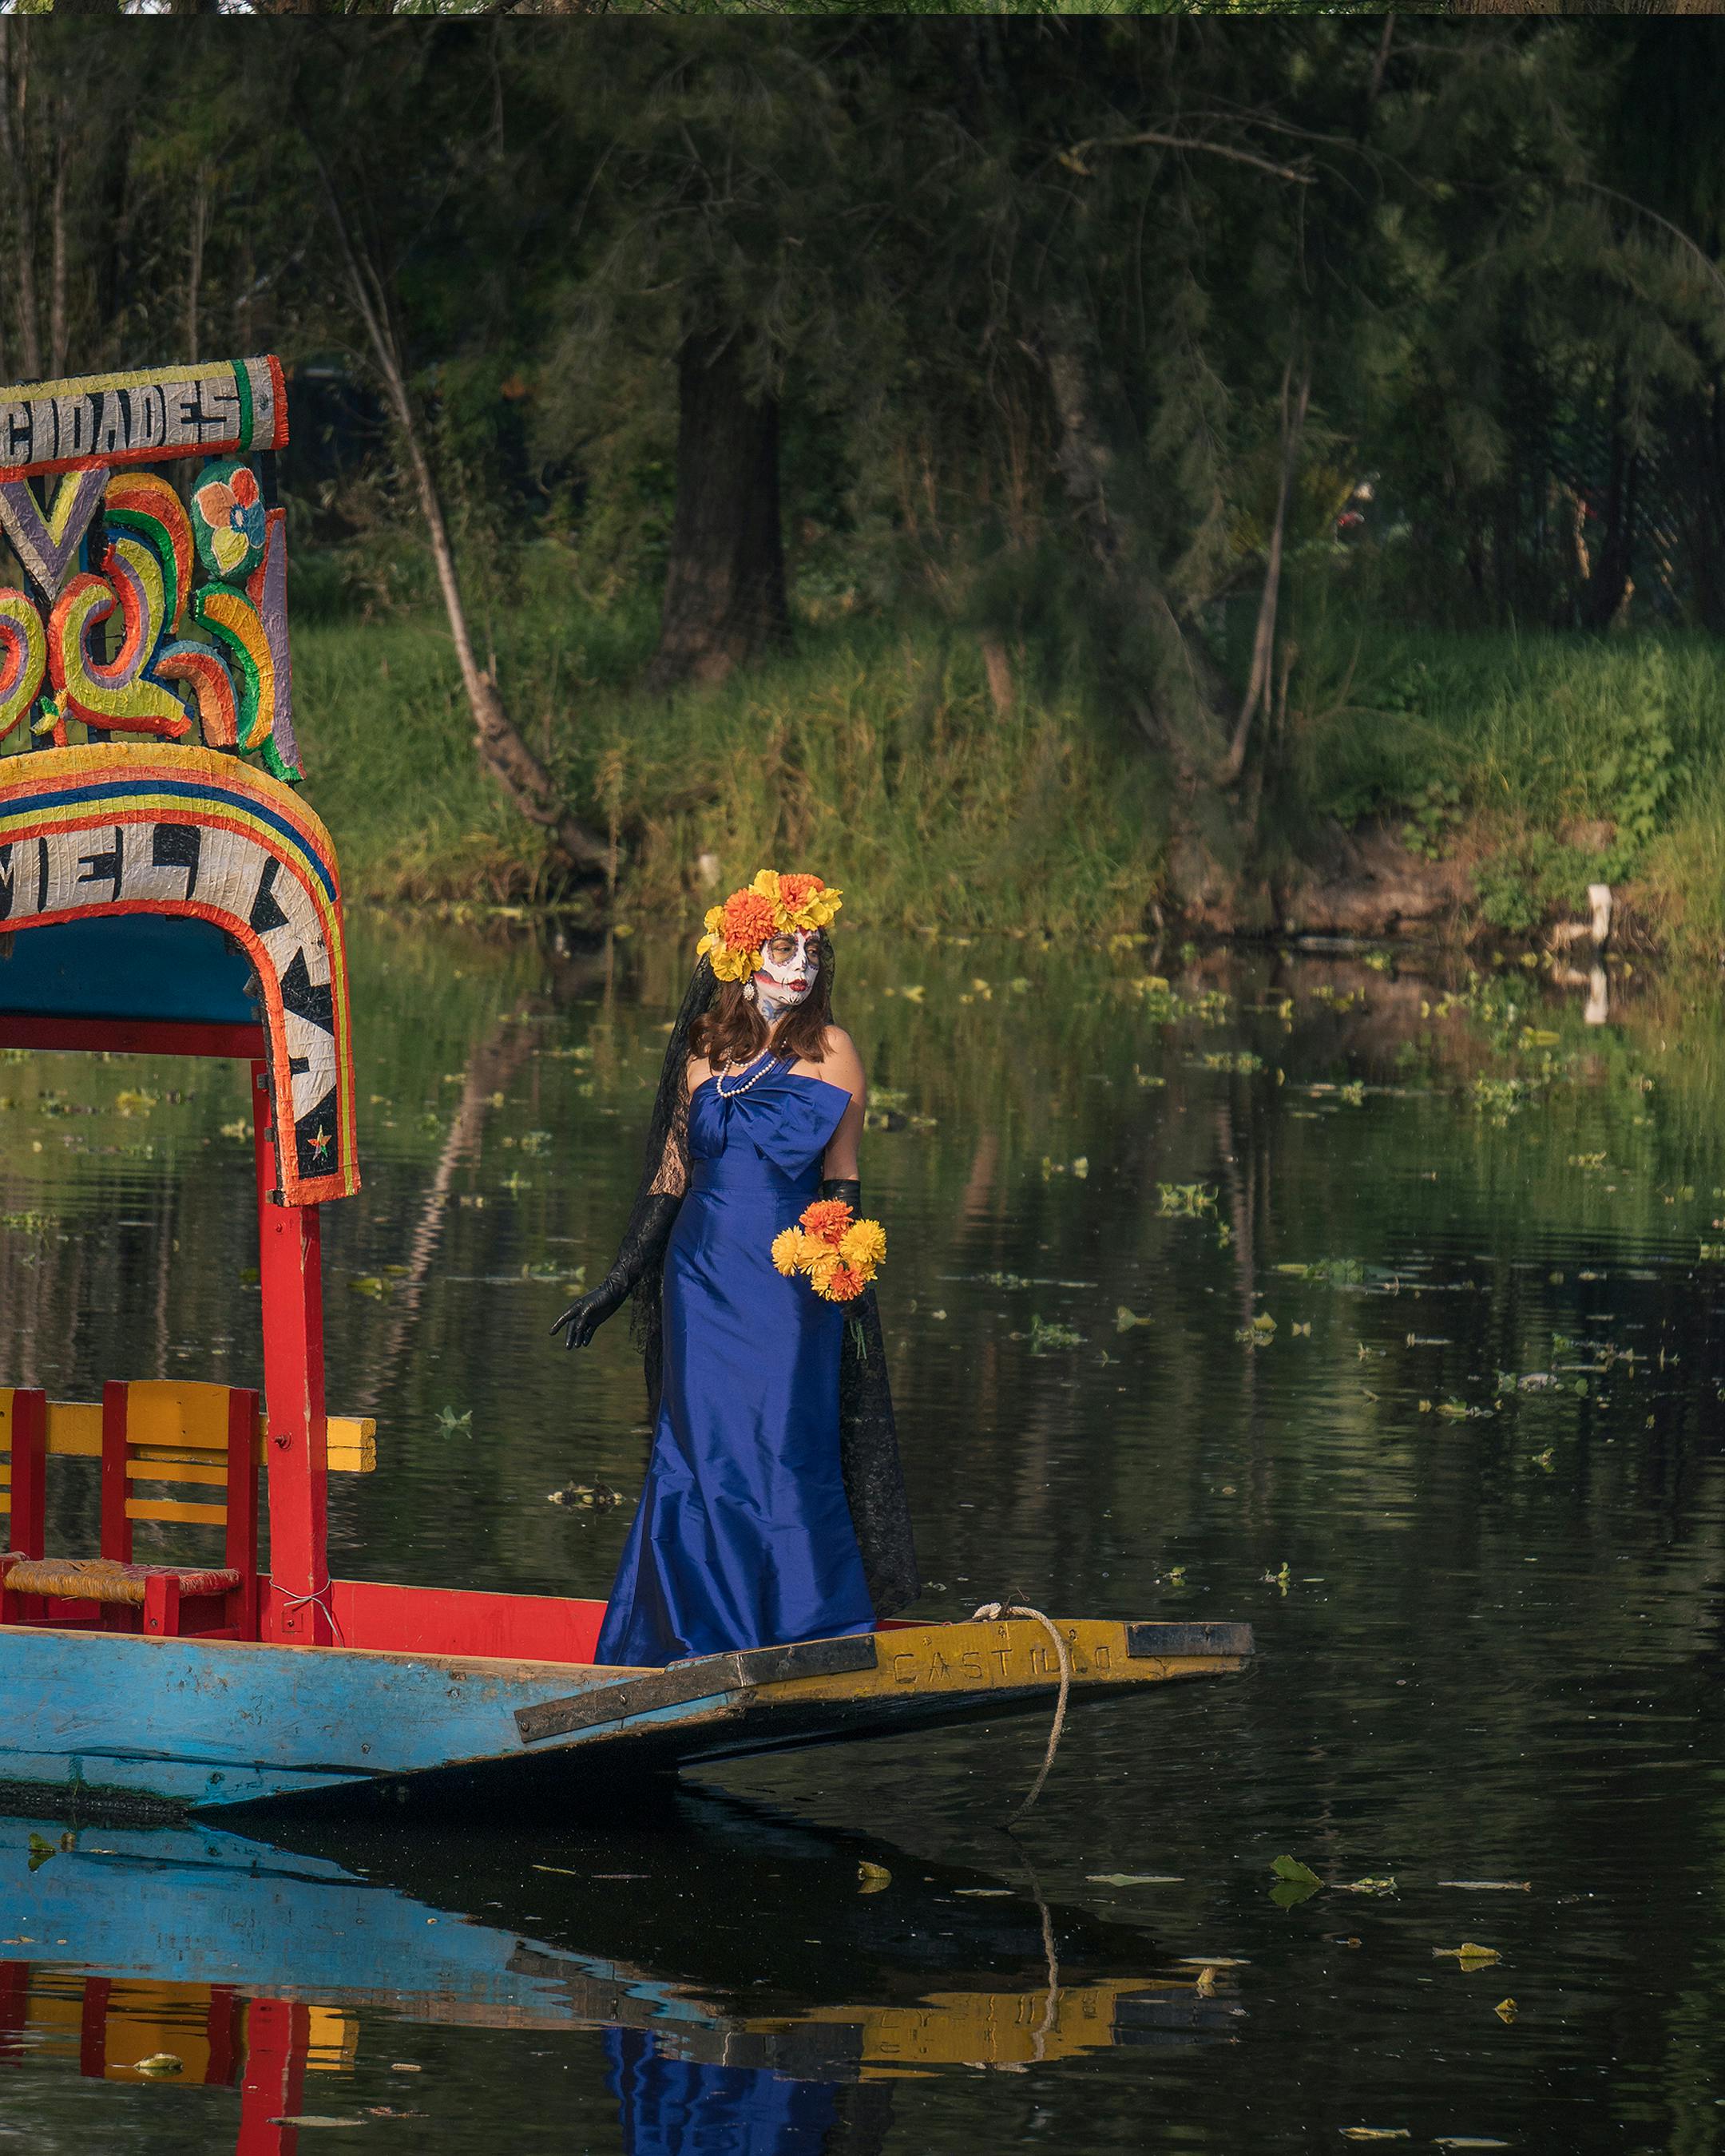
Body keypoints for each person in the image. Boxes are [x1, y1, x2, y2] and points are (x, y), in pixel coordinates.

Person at [552, 870, 918, 1668]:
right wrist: (617, 1282)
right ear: (743, 957)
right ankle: (687, 1633)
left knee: (788, 1441)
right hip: (700, 1277)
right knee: (700, 1451)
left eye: (812, 952)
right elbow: (668, 1182)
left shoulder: (835, 1052)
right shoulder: (703, 1052)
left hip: (789, 1284)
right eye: (784, 950)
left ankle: (805, 1631)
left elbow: (843, 1181)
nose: (800, 967)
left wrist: (844, 1276)